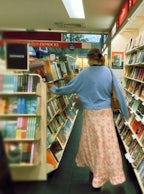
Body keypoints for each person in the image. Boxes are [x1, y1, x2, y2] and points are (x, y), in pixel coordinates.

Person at [49, 48, 128, 189]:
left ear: (89, 59)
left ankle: (95, 172)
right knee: (107, 144)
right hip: (105, 114)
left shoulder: (84, 74)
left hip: (90, 115)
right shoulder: (109, 72)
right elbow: (119, 93)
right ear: (101, 59)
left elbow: (69, 88)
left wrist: (55, 90)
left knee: (93, 145)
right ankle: (112, 174)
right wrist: (125, 113)